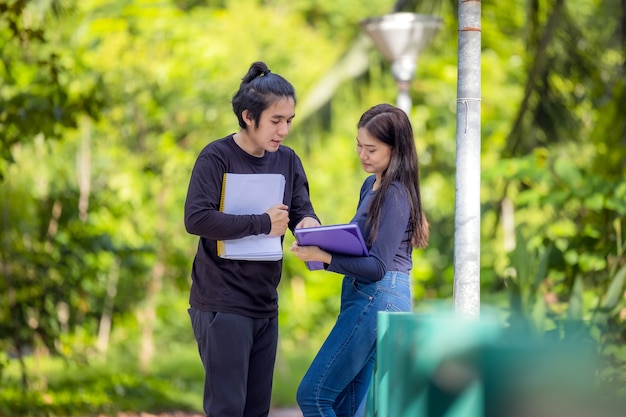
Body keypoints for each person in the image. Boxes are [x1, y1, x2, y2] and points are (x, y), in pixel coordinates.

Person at [184, 61, 320, 417]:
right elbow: (196, 218)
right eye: (276, 121)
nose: (284, 130)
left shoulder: (287, 161)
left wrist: (307, 224)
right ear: (248, 116)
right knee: (228, 409)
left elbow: (302, 209)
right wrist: (261, 222)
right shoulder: (216, 157)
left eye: (289, 120)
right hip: (221, 302)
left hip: (265, 303)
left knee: (257, 410)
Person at [290, 103, 429, 417]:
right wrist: (319, 238)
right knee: (346, 406)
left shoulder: (395, 192)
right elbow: (360, 248)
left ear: (396, 150)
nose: (362, 155)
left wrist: (324, 257)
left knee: (313, 395)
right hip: (361, 295)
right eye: (359, 145)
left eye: (372, 149)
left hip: (378, 295)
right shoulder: (371, 185)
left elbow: (378, 266)